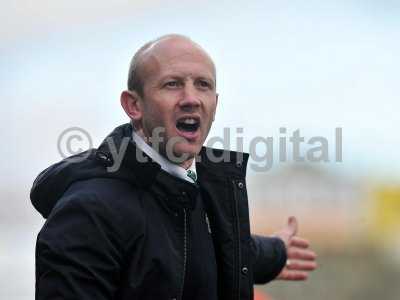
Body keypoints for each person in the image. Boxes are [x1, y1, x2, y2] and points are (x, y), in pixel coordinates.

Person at [31, 34, 317, 300]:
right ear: (134, 105)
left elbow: (208, 244)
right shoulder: (88, 213)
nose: (191, 98)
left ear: (215, 105)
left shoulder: (200, 190)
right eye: (173, 84)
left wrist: (275, 253)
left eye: (203, 85)